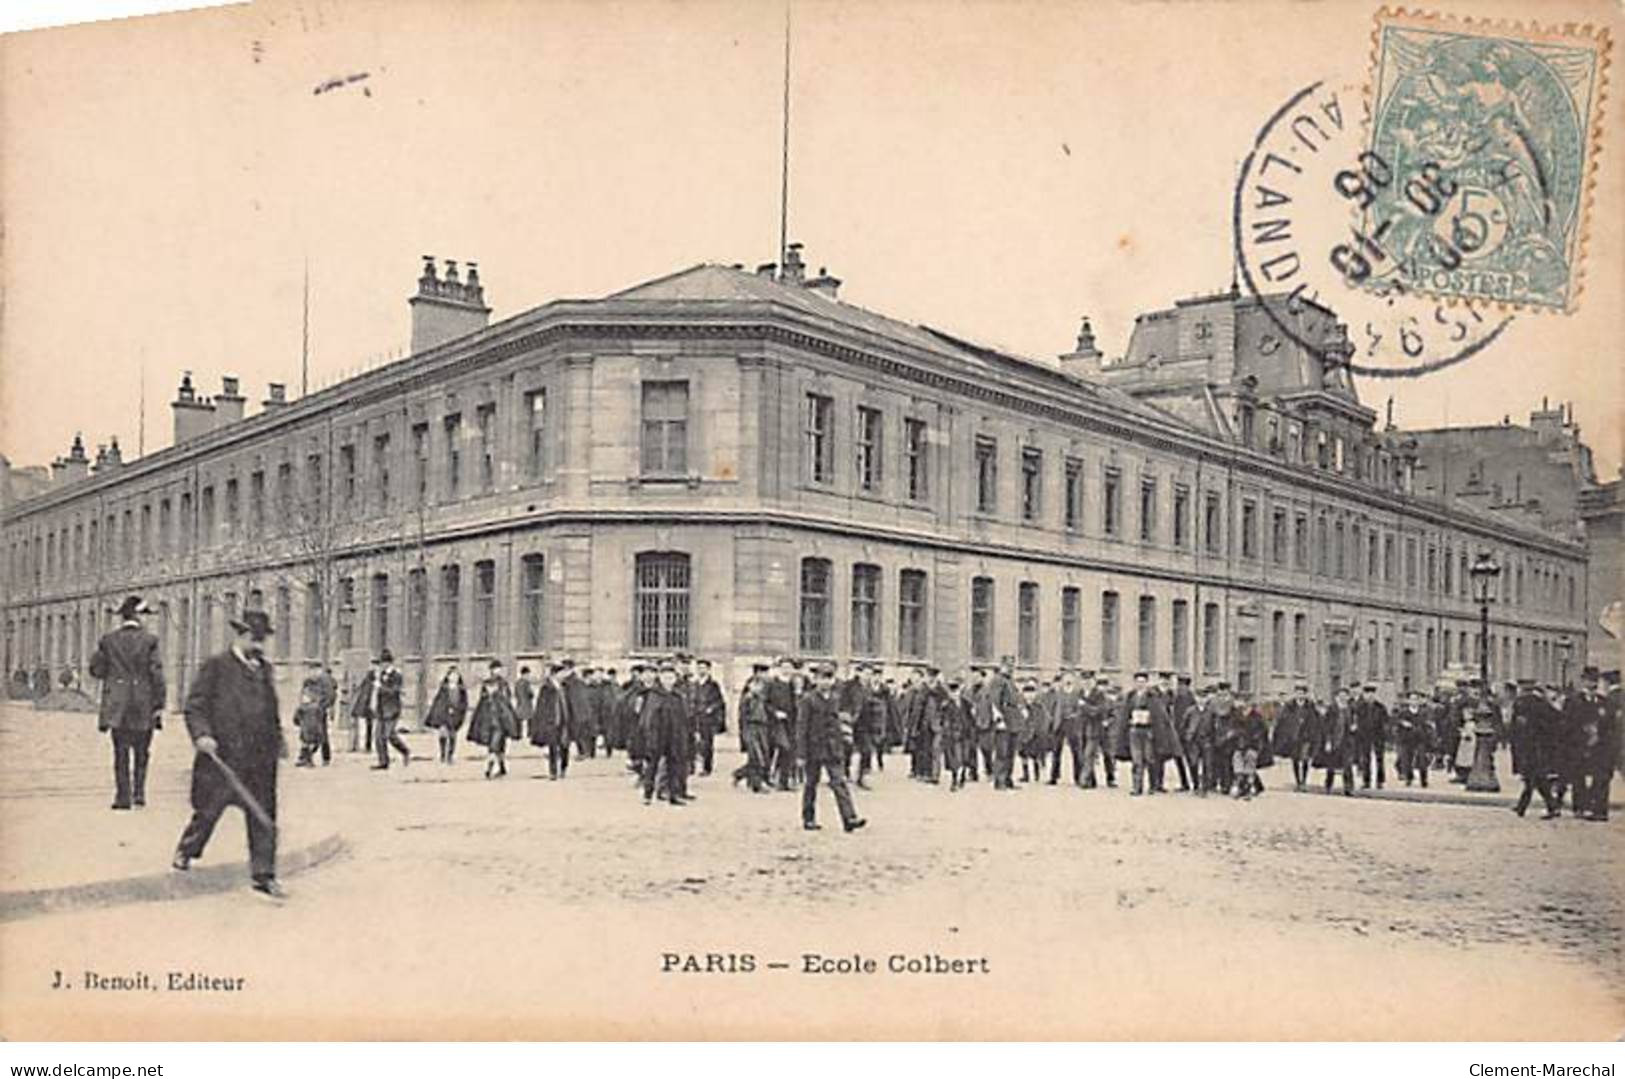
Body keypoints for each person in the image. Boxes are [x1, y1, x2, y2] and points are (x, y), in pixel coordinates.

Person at [172, 609, 285, 900]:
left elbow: (270, 708)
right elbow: (195, 706)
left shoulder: (264, 669)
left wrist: (278, 740)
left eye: (262, 640)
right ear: (241, 635)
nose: (259, 646)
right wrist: (202, 735)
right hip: (224, 757)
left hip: (260, 758)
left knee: (263, 816)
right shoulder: (217, 666)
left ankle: (264, 875)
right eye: (255, 639)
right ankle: (187, 850)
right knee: (209, 810)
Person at [88, 595, 165, 810]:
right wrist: (158, 704)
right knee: (142, 751)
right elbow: (157, 675)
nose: (147, 620)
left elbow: (96, 670)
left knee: (120, 752)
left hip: (117, 706)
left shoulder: (108, 641)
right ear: (138, 616)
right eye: (146, 615)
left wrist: (113, 675)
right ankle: (139, 795)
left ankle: (122, 797)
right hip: (143, 704)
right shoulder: (151, 641)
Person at [797, 662, 866, 832]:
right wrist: (800, 754)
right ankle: (809, 818)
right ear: (815, 680)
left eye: (829, 678)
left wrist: (844, 745)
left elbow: (839, 724)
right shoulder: (808, 700)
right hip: (813, 749)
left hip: (833, 748)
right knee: (811, 784)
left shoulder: (836, 699)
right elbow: (801, 727)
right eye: (822, 678)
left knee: (839, 783)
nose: (826, 682)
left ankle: (849, 818)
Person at [1563, 667, 1613, 821]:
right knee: (1578, 777)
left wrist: (1601, 736)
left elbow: (1609, 724)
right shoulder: (1573, 701)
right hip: (1579, 745)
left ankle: (1599, 809)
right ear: (1583, 681)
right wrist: (1582, 735)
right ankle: (1580, 807)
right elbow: (1567, 724)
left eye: (1595, 681)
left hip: (1599, 746)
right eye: (1589, 680)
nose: (1592, 684)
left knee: (1601, 777)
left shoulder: (1604, 702)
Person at [1511, 679, 1563, 819]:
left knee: (1534, 779)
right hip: (1539, 747)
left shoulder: (1520, 703)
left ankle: (1526, 806)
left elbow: (1515, 728)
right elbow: (1556, 721)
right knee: (1535, 779)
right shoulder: (1542, 703)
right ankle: (1526, 806)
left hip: (1529, 747)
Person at [641, 662, 691, 806]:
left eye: (671, 678)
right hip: (657, 735)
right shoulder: (654, 695)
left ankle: (673, 795)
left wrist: (683, 736)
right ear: (661, 679)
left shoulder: (677, 697)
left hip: (674, 736)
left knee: (674, 765)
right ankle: (647, 794)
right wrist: (650, 737)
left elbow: (683, 719)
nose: (668, 681)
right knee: (652, 765)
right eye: (665, 678)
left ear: (675, 679)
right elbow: (648, 719)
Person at [1122, 671, 1170, 796]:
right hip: (1134, 731)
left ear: (1146, 683)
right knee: (1136, 760)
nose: (1140, 685)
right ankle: (1137, 787)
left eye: (1142, 682)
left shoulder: (1152, 697)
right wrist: (1128, 721)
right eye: (1138, 682)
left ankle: (1153, 785)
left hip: (1148, 731)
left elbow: (1159, 714)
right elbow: (1125, 712)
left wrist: (1151, 721)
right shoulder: (1130, 696)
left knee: (1149, 758)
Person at [468, 660, 518, 778]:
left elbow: (508, 700)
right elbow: (482, 701)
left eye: (499, 669)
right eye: (495, 669)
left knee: (500, 745)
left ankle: (500, 767)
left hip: (502, 719)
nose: (497, 671)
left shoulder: (503, 684)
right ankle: (491, 769)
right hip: (490, 719)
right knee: (493, 745)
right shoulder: (487, 685)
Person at [978, 658, 1023, 791]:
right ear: (1001, 666)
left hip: (1013, 720)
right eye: (1007, 666)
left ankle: (1008, 779)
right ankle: (1000, 781)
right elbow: (994, 701)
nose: (1010, 668)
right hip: (1004, 721)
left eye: (1012, 666)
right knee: (1002, 752)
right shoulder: (997, 680)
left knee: (1010, 752)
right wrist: (999, 719)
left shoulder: (1010, 681)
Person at [732, 664, 773, 792]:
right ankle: (757, 784)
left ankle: (740, 774)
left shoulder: (765, 693)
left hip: (763, 727)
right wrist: (743, 733)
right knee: (756, 756)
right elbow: (742, 716)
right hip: (751, 727)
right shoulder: (747, 698)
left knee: (764, 756)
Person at [367, 650, 410, 770]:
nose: (383, 666)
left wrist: (381, 687)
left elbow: (394, 691)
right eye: (382, 664)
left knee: (389, 735)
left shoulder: (397, 676)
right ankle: (383, 762)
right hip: (381, 710)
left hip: (392, 709)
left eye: (384, 663)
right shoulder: (380, 675)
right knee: (378, 737)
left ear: (390, 663)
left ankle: (405, 751)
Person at [532, 663, 575, 780]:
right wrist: (541, 722)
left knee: (565, 747)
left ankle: (563, 767)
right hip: (552, 721)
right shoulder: (546, 688)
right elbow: (541, 706)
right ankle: (553, 772)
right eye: (561, 673)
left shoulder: (565, 687)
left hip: (565, 721)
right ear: (555, 674)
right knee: (553, 747)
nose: (564, 675)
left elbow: (570, 703)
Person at [1273, 682, 1317, 791]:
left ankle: (1304, 781)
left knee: (1305, 758)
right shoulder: (1290, 706)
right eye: (1298, 693)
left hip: (1306, 737)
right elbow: (1284, 720)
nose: (1300, 695)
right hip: (1293, 737)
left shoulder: (1310, 706)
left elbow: (1315, 721)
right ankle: (1298, 782)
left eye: (1302, 693)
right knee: (1295, 759)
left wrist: (1312, 733)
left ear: (1305, 694)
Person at [764, 657, 799, 792]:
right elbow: (766, 703)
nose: (786, 670)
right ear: (779, 668)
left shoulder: (794, 684)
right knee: (776, 749)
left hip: (791, 722)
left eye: (789, 667)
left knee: (789, 751)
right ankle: (767, 777)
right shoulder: (772, 683)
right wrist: (775, 713)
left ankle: (784, 781)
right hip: (775, 723)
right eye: (784, 667)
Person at [1316, 686, 1357, 796]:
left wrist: (1353, 728)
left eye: (1345, 696)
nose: (1343, 698)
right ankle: (1328, 785)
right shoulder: (1332, 709)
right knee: (1331, 766)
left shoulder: (1350, 709)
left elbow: (1354, 722)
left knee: (1347, 765)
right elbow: (1327, 727)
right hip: (1335, 741)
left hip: (1347, 741)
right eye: (1341, 696)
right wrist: (1328, 741)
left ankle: (1348, 788)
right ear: (1337, 697)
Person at [1049, 670, 1087, 786]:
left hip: (1073, 724)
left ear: (1074, 681)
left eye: (1070, 678)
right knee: (1056, 751)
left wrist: (1075, 715)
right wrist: (1053, 720)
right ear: (1062, 681)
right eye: (1066, 678)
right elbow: (1053, 708)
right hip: (1059, 724)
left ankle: (1078, 777)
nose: (1068, 681)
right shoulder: (1058, 693)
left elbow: (1081, 709)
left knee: (1076, 751)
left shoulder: (1078, 693)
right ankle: (1054, 776)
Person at [424, 667, 470, 764]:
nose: (453, 678)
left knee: (452, 734)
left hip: (456, 714)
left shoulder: (461, 689)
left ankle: (450, 755)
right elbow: (439, 701)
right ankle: (442, 754)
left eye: (456, 676)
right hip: (444, 714)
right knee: (443, 733)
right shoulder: (444, 688)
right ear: (448, 676)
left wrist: (459, 710)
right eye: (451, 675)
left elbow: (464, 702)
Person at [690, 658, 727, 777]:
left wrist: (711, 708)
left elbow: (719, 701)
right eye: (699, 668)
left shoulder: (713, 685)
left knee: (707, 743)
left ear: (709, 670)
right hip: (695, 717)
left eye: (704, 668)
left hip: (707, 718)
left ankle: (707, 767)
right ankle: (692, 766)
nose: (701, 670)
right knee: (693, 742)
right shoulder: (694, 684)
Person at [1391, 689, 1433, 787]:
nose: (1414, 701)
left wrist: (1427, 737)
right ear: (1408, 701)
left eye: (1416, 699)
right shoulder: (1403, 712)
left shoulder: (1423, 713)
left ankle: (1424, 779)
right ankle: (1409, 777)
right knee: (1407, 760)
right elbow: (1396, 724)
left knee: (1422, 760)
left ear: (1418, 701)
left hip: (1420, 739)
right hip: (1407, 739)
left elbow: (1427, 726)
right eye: (1412, 699)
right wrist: (1402, 724)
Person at [1354, 683, 1388, 790]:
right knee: (1365, 759)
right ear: (1364, 695)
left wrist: (1384, 734)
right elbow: (1356, 721)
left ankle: (1380, 781)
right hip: (1364, 736)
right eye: (1367, 693)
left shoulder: (1381, 707)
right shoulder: (1360, 708)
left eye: (1372, 693)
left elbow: (1386, 722)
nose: (1369, 696)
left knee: (1379, 759)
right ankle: (1366, 781)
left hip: (1378, 736)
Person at [350, 657, 380, 754]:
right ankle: (368, 746)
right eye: (373, 665)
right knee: (368, 726)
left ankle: (371, 746)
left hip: (375, 705)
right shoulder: (369, 677)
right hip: (368, 705)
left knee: (373, 727)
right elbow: (362, 690)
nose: (374, 667)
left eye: (376, 665)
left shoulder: (380, 677)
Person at [294, 684, 326, 768]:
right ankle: (306, 759)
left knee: (306, 744)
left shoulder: (302, 707)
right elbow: (321, 717)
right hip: (315, 728)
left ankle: (305, 759)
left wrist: (299, 723)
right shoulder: (317, 707)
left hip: (306, 729)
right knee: (313, 744)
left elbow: (296, 718)